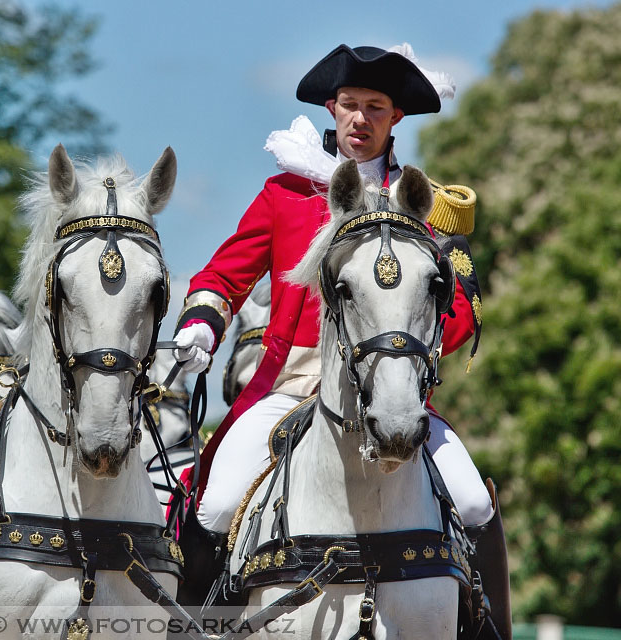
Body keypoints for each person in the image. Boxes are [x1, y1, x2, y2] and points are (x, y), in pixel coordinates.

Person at [173, 44, 509, 637]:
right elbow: (224, 275)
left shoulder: (424, 209)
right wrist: (202, 321)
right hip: (290, 386)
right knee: (217, 501)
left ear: (395, 117)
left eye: (374, 107)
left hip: (395, 393)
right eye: (349, 105)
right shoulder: (286, 194)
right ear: (331, 108)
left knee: (475, 503)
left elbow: (457, 317)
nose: (360, 118)